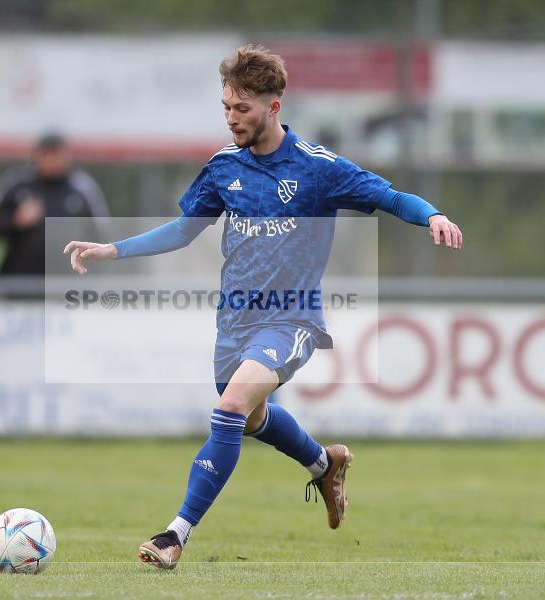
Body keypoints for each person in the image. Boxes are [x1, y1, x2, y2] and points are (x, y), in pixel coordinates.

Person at [63, 45, 463, 570]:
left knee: (228, 411)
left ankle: (173, 535)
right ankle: (325, 463)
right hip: (234, 324)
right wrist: (115, 249)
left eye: (242, 109)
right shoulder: (223, 168)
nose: (232, 119)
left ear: (274, 107)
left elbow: (388, 196)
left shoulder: (318, 169)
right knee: (249, 419)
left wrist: (431, 214)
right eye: (226, 107)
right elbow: (184, 230)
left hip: (291, 318)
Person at [0, 133, 109, 276]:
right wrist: (16, 221)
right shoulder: (17, 183)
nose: (52, 161)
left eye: (57, 155)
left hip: (67, 280)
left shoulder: (81, 187)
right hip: (19, 280)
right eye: (46, 155)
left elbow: (101, 233)